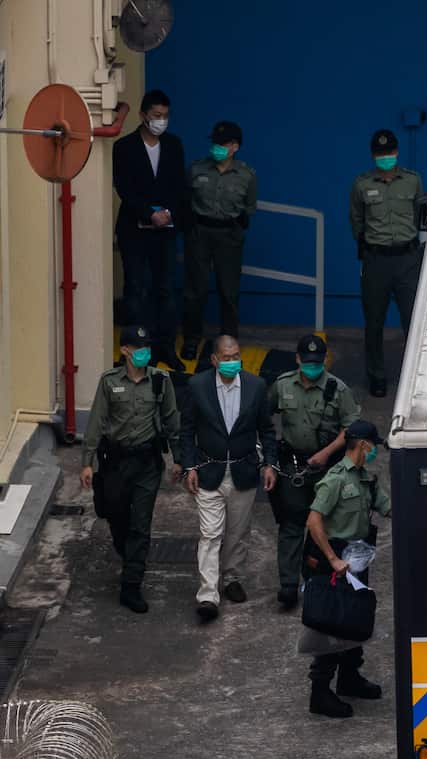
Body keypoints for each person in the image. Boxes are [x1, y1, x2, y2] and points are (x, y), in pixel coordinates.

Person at [80, 325, 182, 613]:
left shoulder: (161, 381)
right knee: (115, 515)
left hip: (147, 463)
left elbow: (172, 420)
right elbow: (97, 422)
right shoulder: (109, 382)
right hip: (115, 462)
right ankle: (129, 557)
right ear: (125, 350)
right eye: (139, 348)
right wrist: (87, 462)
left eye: (147, 348)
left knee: (141, 523)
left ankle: (131, 584)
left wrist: (179, 459)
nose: (144, 353)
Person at [179, 335, 277, 622]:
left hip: (243, 471)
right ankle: (208, 594)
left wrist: (269, 464)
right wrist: (189, 467)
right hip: (208, 471)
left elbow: (267, 430)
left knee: (238, 531)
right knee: (210, 534)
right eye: (226, 357)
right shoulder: (197, 386)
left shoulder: (256, 387)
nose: (232, 362)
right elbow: (187, 431)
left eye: (236, 357)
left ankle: (232, 577)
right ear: (214, 360)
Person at [303, 419, 391, 718]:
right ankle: (320, 692)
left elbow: (388, 508)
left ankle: (350, 678)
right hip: (335, 563)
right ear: (363, 445)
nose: (375, 450)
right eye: (373, 445)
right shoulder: (336, 479)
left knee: (355, 618)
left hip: (357, 561)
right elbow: (314, 521)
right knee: (332, 623)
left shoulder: (366, 479)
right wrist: (332, 559)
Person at [267, 334, 360, 610]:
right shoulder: (283, 385)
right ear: (298, 359)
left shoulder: (338, 390)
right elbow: (263, 416)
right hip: (293, 466)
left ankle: (317, 579)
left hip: (326, 468)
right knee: (292, 523)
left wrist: (327, 452)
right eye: (308, 362)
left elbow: (351, 428)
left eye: (318, 363)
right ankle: (288, 584)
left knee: (324, 525)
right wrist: (268, 457)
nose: (312, 367)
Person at [112, 90, 187, 371]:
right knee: (135, 289)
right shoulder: (124, 147)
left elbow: (179, 186)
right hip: (134, 231)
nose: (161, 121)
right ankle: (135, 348)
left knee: (165, 290)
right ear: (143, 115)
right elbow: (124, 188)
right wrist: (148, 214)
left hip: (165, 231)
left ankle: (165, 347)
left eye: (165, 116)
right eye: (156, 115)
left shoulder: (174, 145)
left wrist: (168, 214)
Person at [349, 129, 424, 398]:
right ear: (373, 155)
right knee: (374, 321)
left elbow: (419, 215)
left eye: (389, 152)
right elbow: (356, 220)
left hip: (407, 259)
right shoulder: (361, 184)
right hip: (377, 260)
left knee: (413, 320)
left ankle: (415, 377)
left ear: (397, 152)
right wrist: (368, 247)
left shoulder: (412, 181)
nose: (385, 157)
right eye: (380, 154)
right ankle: (376, 376)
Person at [183, 121, 258, 359]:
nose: (217, 147)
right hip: (200, 233)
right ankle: (191, 339)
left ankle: (229, 344)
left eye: (223, 143)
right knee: (196, 290)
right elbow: (185, 199)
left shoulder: (246, 175)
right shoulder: (196, 169)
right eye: (215, 142)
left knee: (229, 292)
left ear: (235, 146)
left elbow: (249, 207)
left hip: (229, 235)